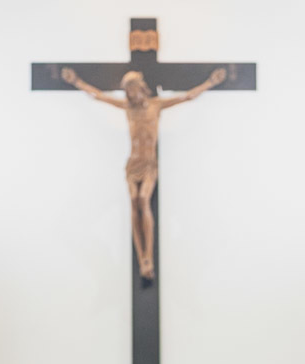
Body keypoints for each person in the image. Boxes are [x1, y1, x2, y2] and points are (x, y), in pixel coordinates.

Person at [61, 65, 226, 279]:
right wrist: (76, 82)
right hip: (133, 163)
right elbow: (99, 96)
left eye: (134, 89)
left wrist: (210, 83)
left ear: (141, 88)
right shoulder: (129, 109)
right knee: (133, 201)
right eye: (128, 91)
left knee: (143, 199)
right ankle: (142, 258)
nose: (132, 94)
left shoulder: (156, 106)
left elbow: (187, 97)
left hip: (149, 164)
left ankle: (148, 254)